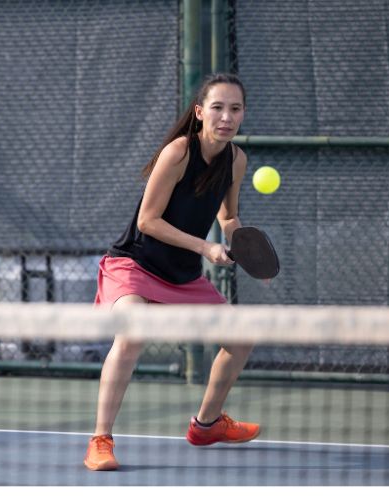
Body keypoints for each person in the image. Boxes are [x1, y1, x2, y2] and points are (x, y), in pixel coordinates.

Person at [84, 73, 259, 471]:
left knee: (243, 336)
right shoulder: (178, 152)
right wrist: (205, 247)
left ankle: (207, 424)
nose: (226, 117)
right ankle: (100, 439)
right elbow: (148, 221)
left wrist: (244, 245)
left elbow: (228, 216)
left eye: (235, 109)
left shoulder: (236, 160)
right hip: (134, 263)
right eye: (217, 107)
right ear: (200, 112)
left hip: (180, 274)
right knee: (132, 333)